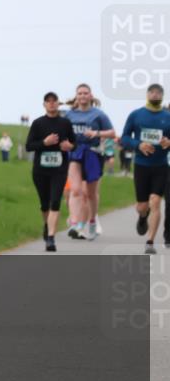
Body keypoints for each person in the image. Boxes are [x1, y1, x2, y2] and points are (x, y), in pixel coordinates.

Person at [120, 84, 170, 254]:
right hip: (141, 166)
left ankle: (150, 241)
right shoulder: (136, 115)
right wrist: (138, 144)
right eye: (152, 92)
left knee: (155, 201)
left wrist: (168, 144)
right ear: (147, 94)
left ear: (162, 96)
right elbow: (125, 138)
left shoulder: (168, 116)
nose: (155, 95)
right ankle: (142, 217)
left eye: (158, 92)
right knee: (142, 205)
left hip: (161, 166)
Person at [25, 92, 76, 251]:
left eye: (54, 101)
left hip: (59, 170)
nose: (52, 104)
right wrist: (44, 142)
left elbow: (74, 143)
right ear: (44, 104)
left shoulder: (65, 123)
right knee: (44, 203)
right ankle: (47, 225)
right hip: (40, 170)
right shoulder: (38, 123)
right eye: (48, 101)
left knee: (55, 201)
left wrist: (70, 146)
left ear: (58, 104)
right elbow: (29, 146)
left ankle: (51, 238)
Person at [65, 85, 116, 241]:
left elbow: (112, 133)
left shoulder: (98, 115)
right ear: (76, 96)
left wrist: (96, 133)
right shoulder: (69, 115)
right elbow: (63, 133)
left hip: (93, 154)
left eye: (85, 93)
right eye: (80, 93)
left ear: (90, 96)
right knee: (75, 190)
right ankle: (74, 223)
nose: (82, 96)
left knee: (90, 194)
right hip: (75, 153)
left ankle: (92, 221)